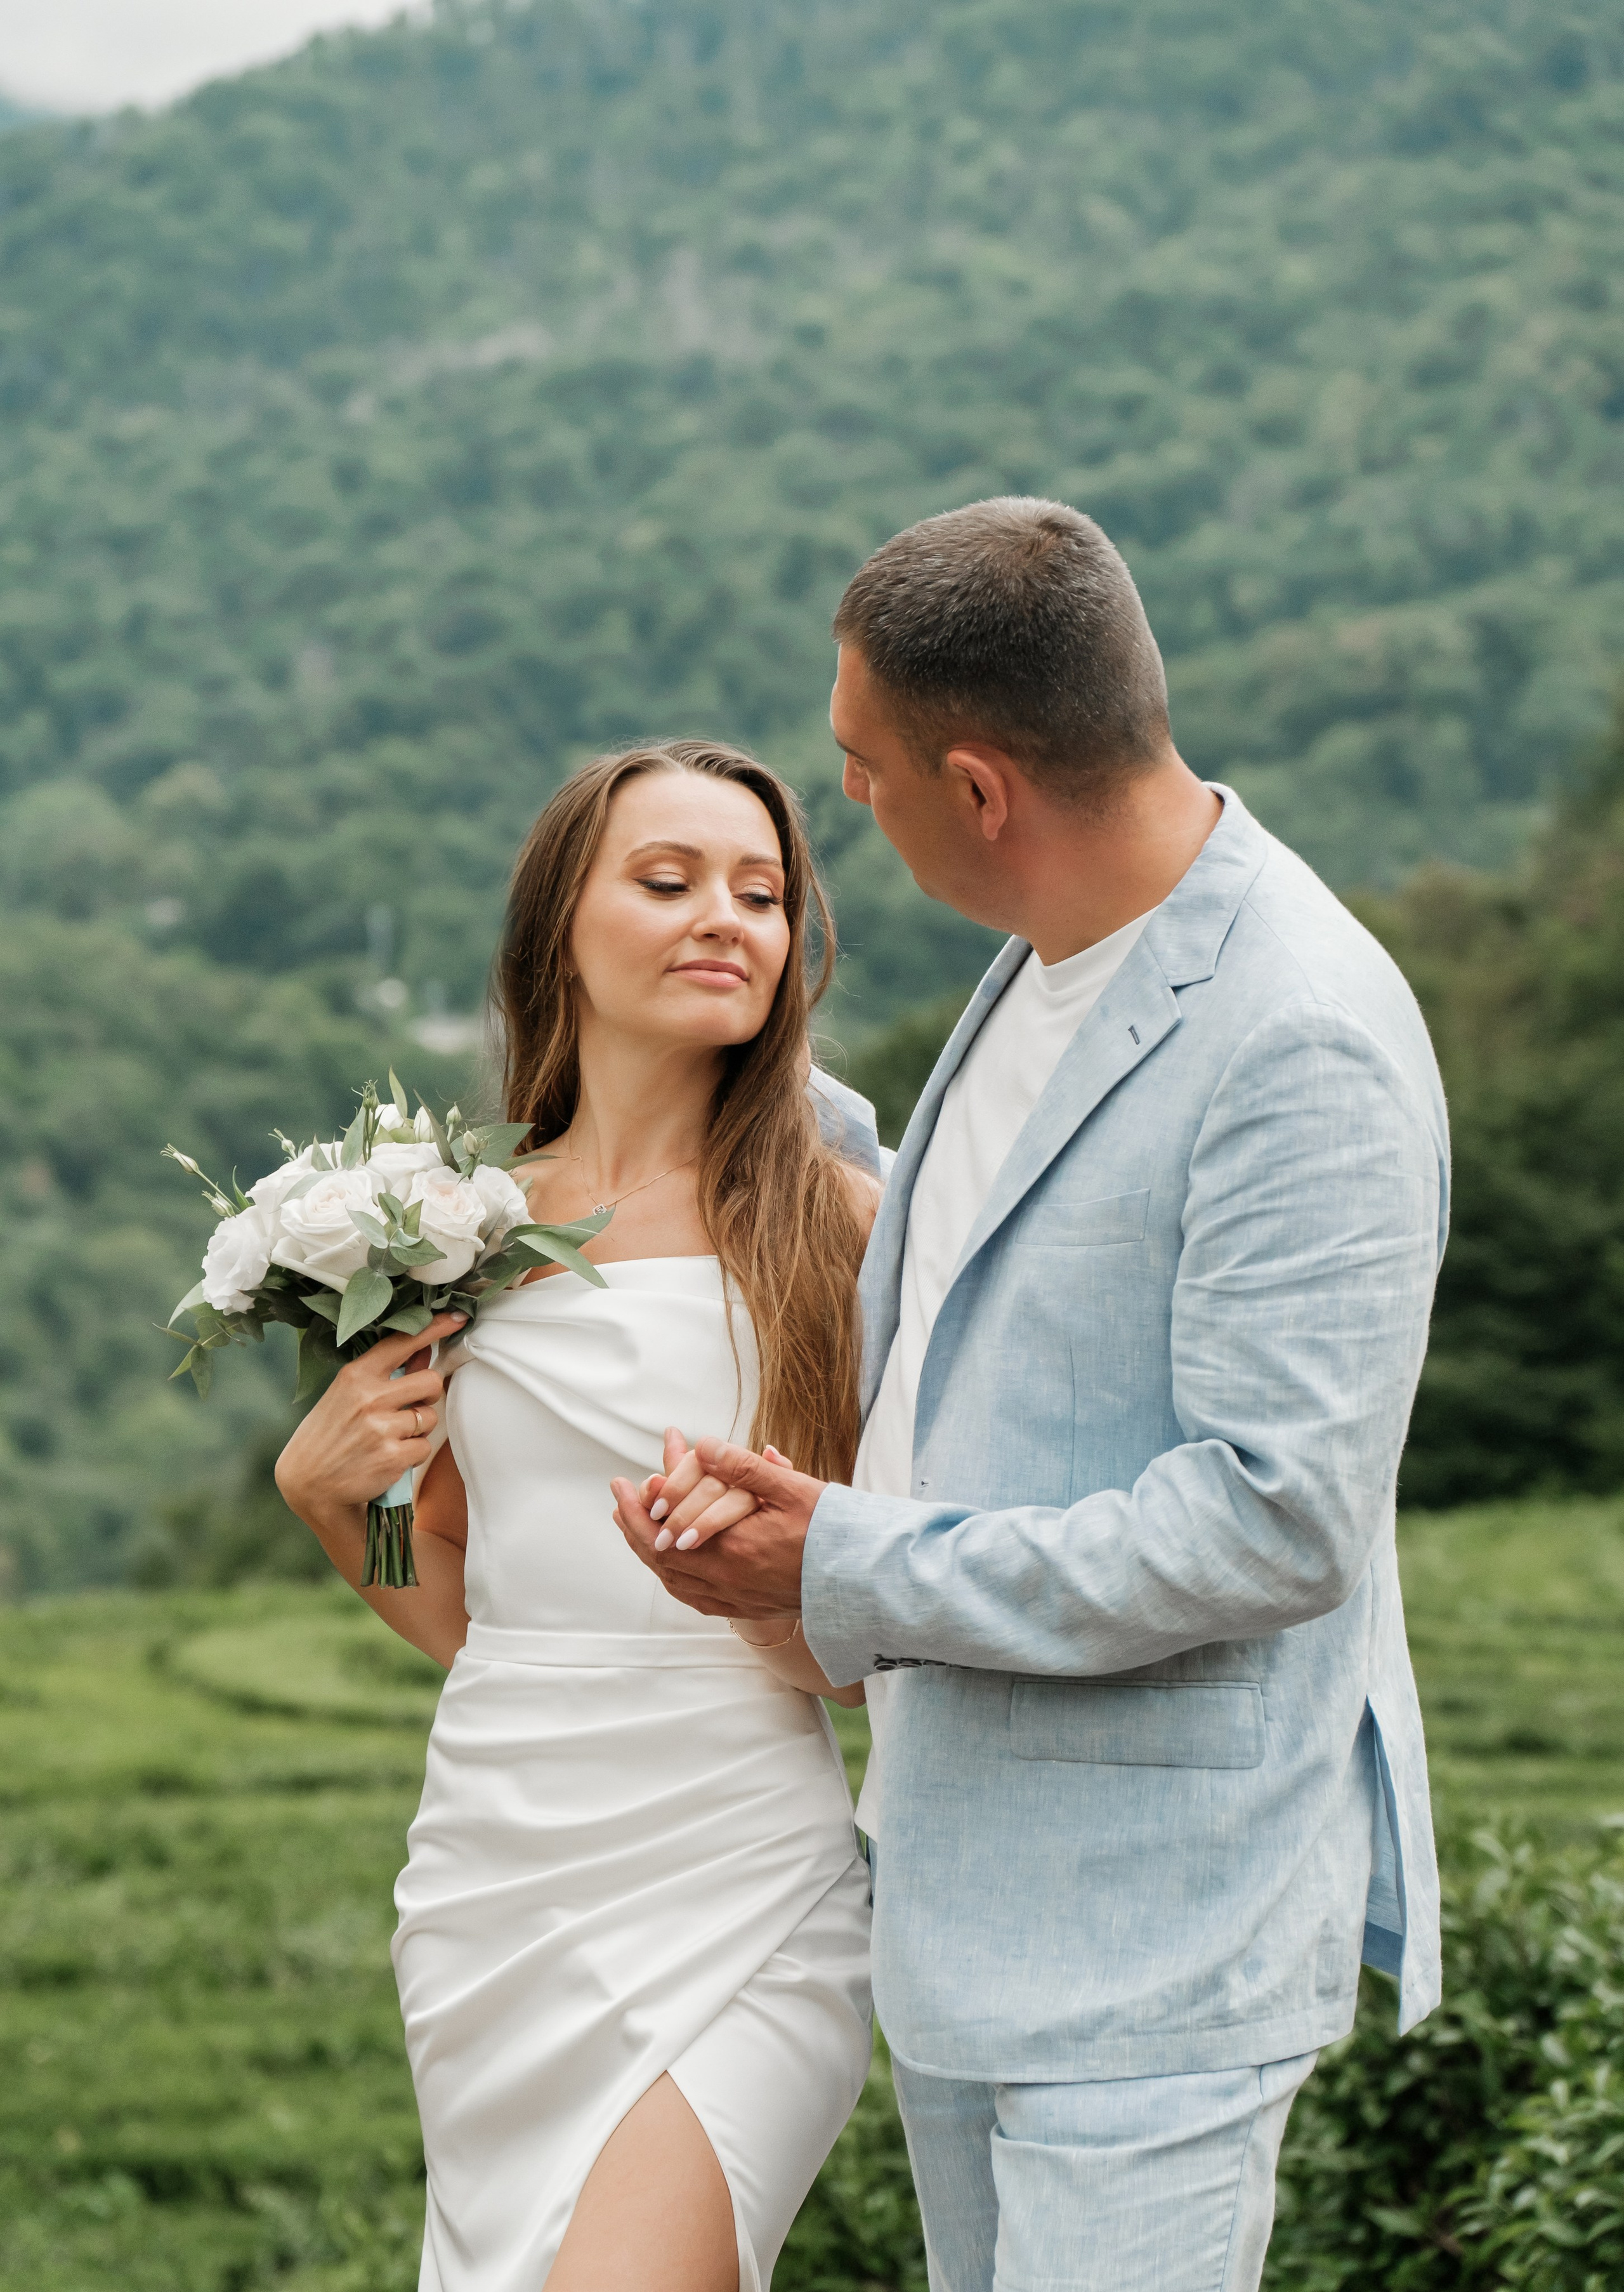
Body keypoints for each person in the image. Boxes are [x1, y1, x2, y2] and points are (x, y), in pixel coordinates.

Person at [613, 499, 1449, 2292]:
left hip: (1150, 1946)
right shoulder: (1053, 955)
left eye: (860, 762)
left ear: (981, 786)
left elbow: (1276, 1512)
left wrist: (847, 1565)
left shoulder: (1300, 1031)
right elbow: (1021, 1263)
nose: (845, 801)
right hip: (972, 1898)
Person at [275, 740, 882, 2292]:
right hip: (501, 1867)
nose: (724, 920)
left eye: (761, 894)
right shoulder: (463, 1235)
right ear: (560, 926)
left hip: (747, 1859)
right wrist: (341, 1507)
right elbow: (469, 1584)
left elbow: (897, 1614)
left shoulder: (846, 1227)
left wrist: (759, 1592)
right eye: (669, 882)